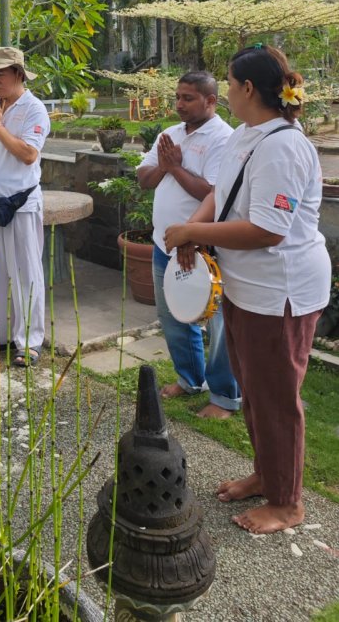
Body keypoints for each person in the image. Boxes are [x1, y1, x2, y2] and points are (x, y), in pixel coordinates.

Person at [165, 45, 330, 535]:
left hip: (281, 293)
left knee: (276, 398)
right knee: (255, 394)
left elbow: (268, 229)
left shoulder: (283, 145)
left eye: (230, 84)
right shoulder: (246, 135)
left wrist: (195, 234)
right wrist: (194, 225)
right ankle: (267, 474)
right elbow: (220, 191)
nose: (227, 90)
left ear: (248, 89)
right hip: (246, 288)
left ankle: (287, 503)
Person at [137, 72, 241, 419]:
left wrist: (174, 168)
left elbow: (214, 193)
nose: (179, 104)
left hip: (204, 247)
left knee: (218, 322)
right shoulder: (170, 134)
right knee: (173, 316)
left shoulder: (223, 138)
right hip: (164, 244)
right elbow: (144, 179)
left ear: (211, 101)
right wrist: (165, 167)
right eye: (178, 97)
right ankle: (190, 378)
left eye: (188, 98)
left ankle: (225, 395)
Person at [0, 47, 50, 368]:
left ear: (18, 74)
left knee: (26, 272)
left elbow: (28, 154)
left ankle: (31, 340)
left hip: (20, 204)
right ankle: (4, 334)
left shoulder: (34, 109)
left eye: (0, 73)